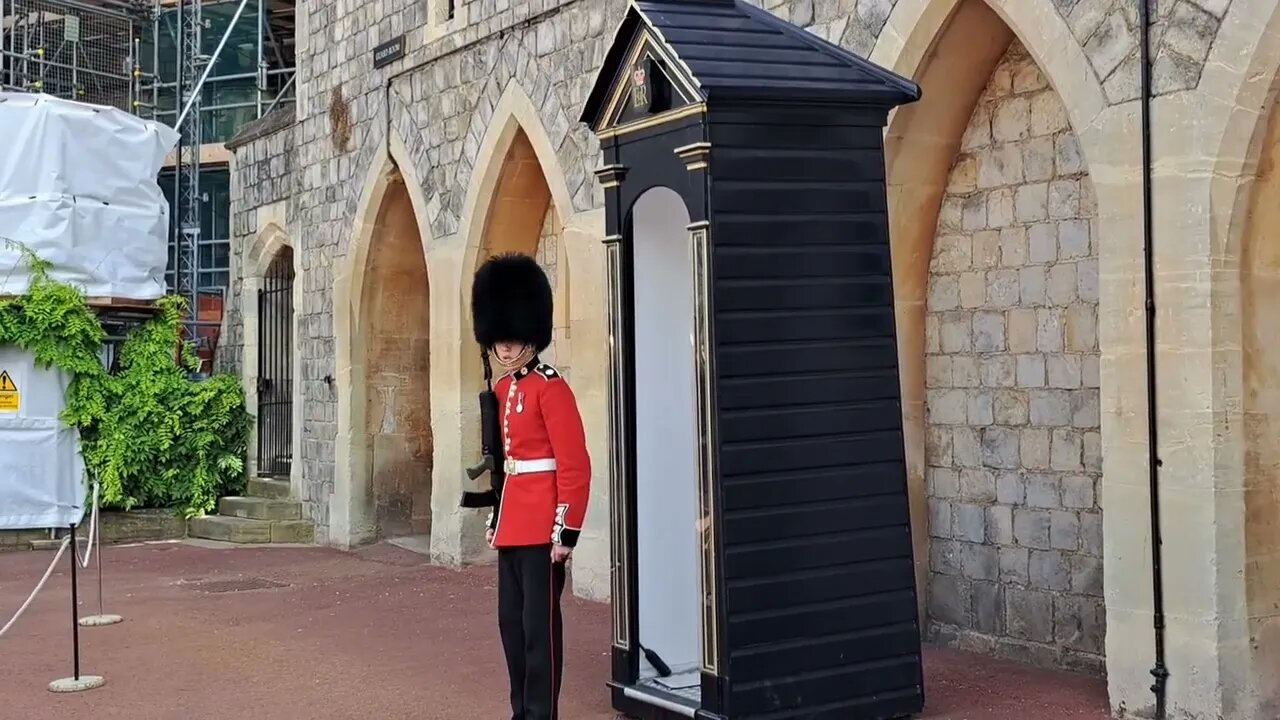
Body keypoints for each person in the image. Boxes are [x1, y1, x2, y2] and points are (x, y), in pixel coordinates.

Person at [470, 251, 592, 720]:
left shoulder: (550, 387)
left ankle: (541, 714)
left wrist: (566, 530)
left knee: (539, 631)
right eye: (499, 340)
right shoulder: (503, 390)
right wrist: (495, 516)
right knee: (511, 627)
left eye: (513, 339)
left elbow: (574, 465)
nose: (505, 348)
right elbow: (505, 466)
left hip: (543, 527)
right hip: (513, 525)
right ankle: (521, 711)